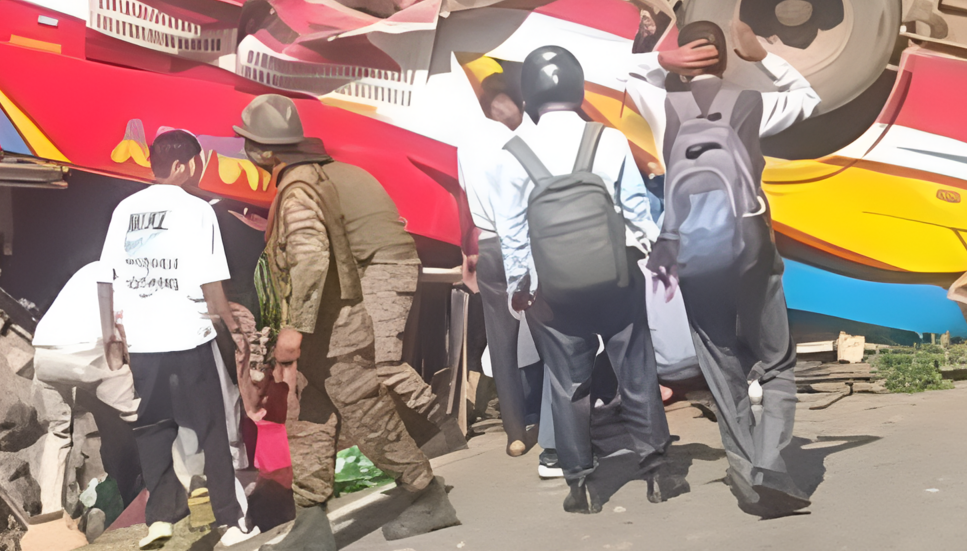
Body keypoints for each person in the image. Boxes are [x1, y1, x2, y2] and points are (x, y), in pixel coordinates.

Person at [235, 93, 459, 551]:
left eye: (248, 142)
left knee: (368, 415)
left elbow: (311, 258)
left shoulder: (298, 189)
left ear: (264, 149)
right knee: (306, 419)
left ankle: (426, 492)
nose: (246, 151)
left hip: (334, 330)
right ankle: (311, 518)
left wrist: (293, 330)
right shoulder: (308, 179)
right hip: (326, 329)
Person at [647, 19, 820, 515]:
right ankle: (769, 465)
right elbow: (808, 98)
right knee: (777, 361)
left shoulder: (660, 106)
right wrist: (761, 56)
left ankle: (745, 475)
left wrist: (660, 62)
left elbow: (618, 74)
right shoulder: (752, 103)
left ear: (684, 60)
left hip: (693, 254)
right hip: (750, 250)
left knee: (720, 366)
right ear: (724, 58)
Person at [496, 45, 678, 514]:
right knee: (636, 372)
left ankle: (579, 485)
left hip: (553, 294)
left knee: (568, 384)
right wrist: (653, 255)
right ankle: (657, 472)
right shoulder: (608, 139)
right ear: (578, 88)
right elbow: (636, 209)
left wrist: (521, 287)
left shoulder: (512, 154)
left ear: (528, 94)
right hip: (615, 280)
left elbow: (511, 233)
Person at [98, 130, 255, 547]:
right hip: (189, 337)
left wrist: (111, 335)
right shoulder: (197, 209)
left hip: (143, 341)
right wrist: (233, 330)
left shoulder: (125, 209)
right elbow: (211, 282)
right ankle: (230, 519)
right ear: (185, 165)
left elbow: (105, 278)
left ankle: (160, 518)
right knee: (210, 427)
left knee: (152, 427)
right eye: (198, 163)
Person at [458, 70, 545, 460]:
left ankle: (515, 434)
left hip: (489, 244)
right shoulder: (522, 140)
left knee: (501, 342)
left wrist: (467, 251)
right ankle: (554, 424)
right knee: (549, 334)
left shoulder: (467, 142)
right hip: (525, 241)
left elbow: (464, 197)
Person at [32, 260, 142, 528]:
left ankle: (49, 516)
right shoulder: (129, 274)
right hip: (86, 352)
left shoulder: (89, 269)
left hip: (44, 354)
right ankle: (159, 491)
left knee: (57, 433)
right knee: (141, 416)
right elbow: (122, 329)